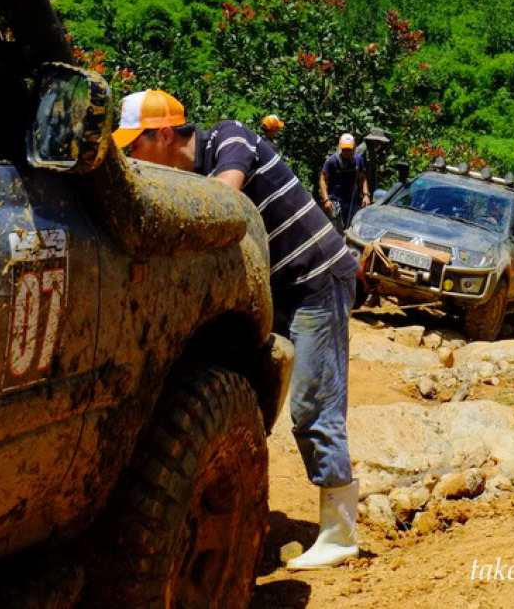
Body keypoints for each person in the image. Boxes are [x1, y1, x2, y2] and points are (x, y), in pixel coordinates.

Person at [113, 88, 359, 570]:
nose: (130, 157)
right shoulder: (197, 165)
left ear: (163, 134)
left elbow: (223, 198)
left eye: (133, 146)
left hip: (316, 277)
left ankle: (340, 533)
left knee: (315, 402)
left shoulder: (230, 139)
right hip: (281, 288)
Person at [320, 133, 369, 232]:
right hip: (335, 202)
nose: (346, 152)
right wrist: (326, 199)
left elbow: (362, 178)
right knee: (335, 232)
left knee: (353, 231)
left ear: (354, 148)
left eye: (349, 150)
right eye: (344, 149)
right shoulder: (331, 161)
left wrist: (366, 195)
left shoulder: (358, 160)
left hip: (352, 201)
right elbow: (322, 179)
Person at [355, 126, 391, 198]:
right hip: (360, 190)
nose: (380, 143)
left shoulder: (372, 150)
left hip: (369, 188)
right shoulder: (362, 149)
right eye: (378, 141)